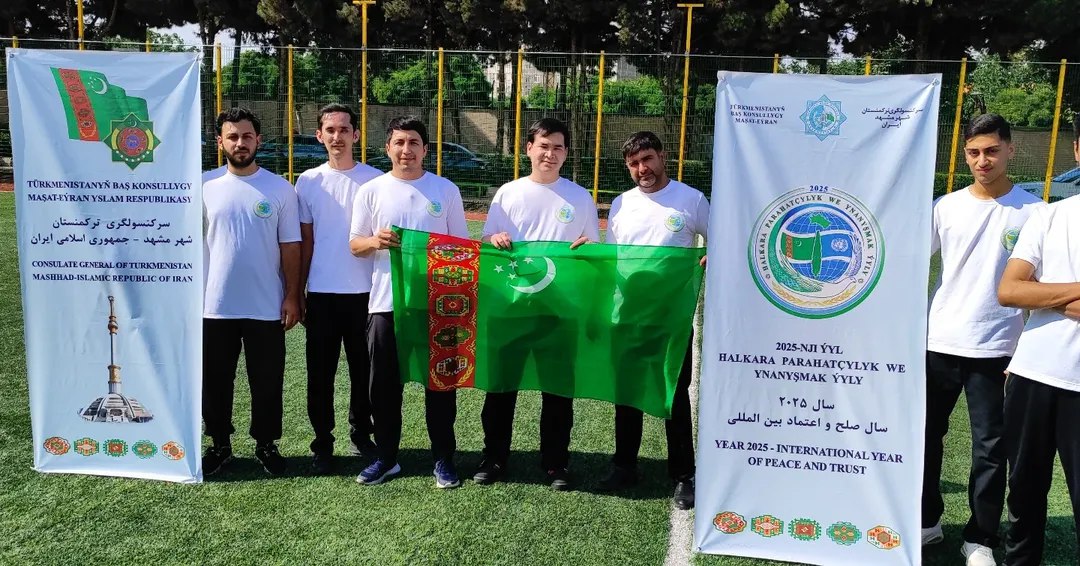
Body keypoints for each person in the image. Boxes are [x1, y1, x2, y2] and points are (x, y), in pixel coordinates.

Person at [922, 113, 1044, 566]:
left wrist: (1026, 348)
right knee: (926, 436)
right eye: (973, 153)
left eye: (991, 150)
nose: (982, 160)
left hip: (998, 347)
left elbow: (1040, 286)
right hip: (938, 341)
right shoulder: (945, 206)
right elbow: (909, 262)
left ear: (1011, 149)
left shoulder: (1035, 212)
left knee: (991, 447)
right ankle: (926, 521)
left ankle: (980, 539)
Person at [473, 117, 600, 491]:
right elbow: (486, 241)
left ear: (566, 153)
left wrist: (589, 248)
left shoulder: (580, 197)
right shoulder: (508, 193)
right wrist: (494, 238)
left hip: (559, 312)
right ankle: (494, 457)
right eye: (544, 146)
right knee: (500, 388)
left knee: (558, 391)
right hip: (511, 308)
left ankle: (556, 464)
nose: (550, 153)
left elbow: (593, 250)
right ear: (528, 148)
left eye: (558, 147)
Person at [349, 116, 469, 488]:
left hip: (438, 305)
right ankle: (387, 458)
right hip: (386, 305)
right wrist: (375, 241)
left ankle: (443, 459)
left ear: (425, 149)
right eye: (399, 142)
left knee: (440, 386)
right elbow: (355, 245)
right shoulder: (371, 190)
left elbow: (461, 248)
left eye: (414, 142)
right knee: (384, 387)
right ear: (388, 148)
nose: (406, 150)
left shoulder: (445, 190)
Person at [599, 131, 708, 510]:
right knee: (626, 394)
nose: (642, 169)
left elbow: (720, 240)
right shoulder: (621, 204)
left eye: (647, 159)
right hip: (627, 315)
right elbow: (610, 258)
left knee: (673, 395)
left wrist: (713, 253)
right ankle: (624, 466)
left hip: (671, 319)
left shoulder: (691, 200)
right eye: (633, 163)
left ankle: (684, 475)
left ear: (662, 156)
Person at [996, 112, 1080, 566]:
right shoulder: (1049, 216)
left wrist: (1046, 294)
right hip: (1034, 374)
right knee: (1024, 493)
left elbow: (1030, 290)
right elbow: (1011, 290)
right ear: (1077, 150)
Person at [201, 107, 302, 476]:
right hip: (213, 305)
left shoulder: (280, 188)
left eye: (246, 136)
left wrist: (292, 295)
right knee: (214, 381)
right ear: (220, 142)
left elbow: (290, 246)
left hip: (266, 304)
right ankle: (219, 444)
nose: (240, 143)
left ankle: (266, 444)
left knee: (267, 381)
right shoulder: (203, 186)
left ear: (258, 140)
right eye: (232, 136)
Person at [295, 103, 382, 474]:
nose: (337, 136)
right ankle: (322, 442)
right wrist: (298, 291)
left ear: (356, 134)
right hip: (321, 295)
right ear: (319, 135)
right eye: (330, 130)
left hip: (367, 294)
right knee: (320, 375)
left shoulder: (376, 180)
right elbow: (305, 241)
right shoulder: (307, 181)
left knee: (365, 373)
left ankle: (362, 433)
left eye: (344, 129)